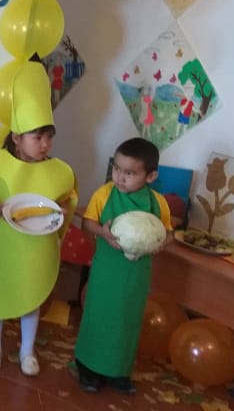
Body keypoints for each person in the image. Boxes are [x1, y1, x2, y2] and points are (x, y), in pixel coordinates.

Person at [0, 62, 77, 377]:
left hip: (36, 249)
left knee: (31, 295)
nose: (45, 144)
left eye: (49, 138)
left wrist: (61, 211)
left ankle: (27, 350)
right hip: (5, 246)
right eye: (38, 137)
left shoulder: (58, 172)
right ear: (16, 137)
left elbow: (67, 202)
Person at [74, 137, 172, 394]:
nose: (120, 177)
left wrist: (161, 243)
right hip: (107, 271)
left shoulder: (158, 202)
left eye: (129, 173)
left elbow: (167, 232)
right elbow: (87, 223)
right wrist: (103, 233)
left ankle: (119, 371)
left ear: (150, 176)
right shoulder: (104, 194)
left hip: (136, 275)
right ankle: (88, 368)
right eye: (116, 168)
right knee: (100, 315)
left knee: (127, 320)